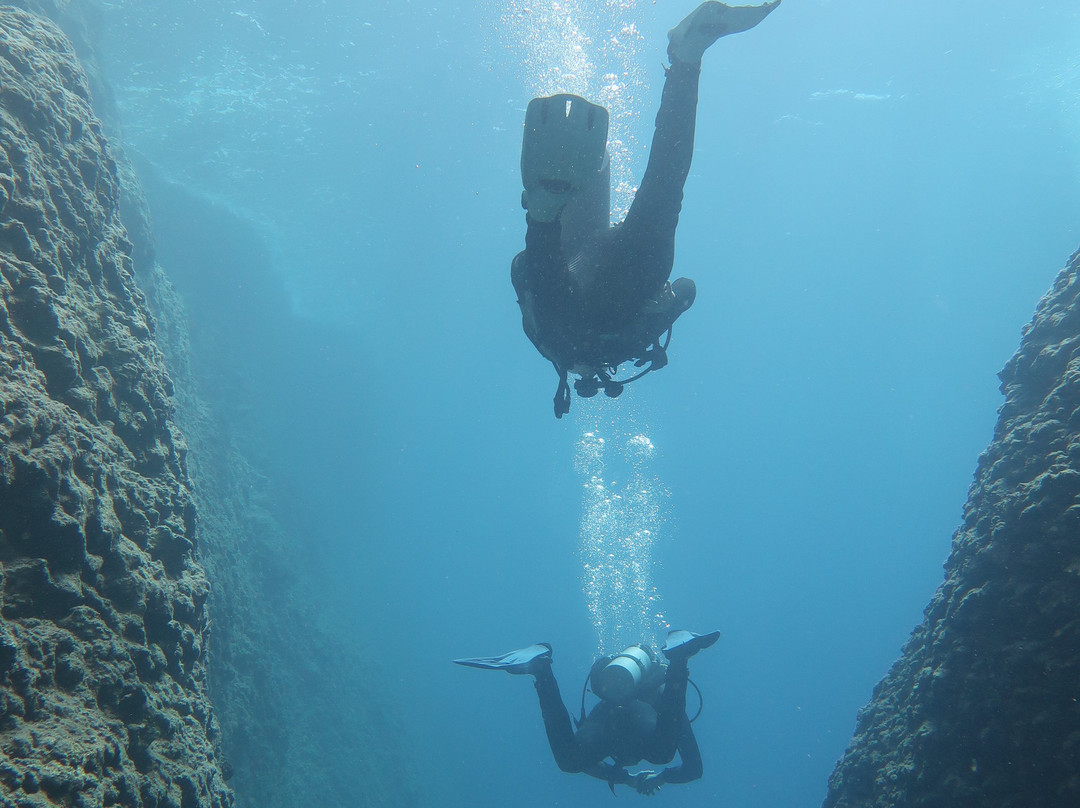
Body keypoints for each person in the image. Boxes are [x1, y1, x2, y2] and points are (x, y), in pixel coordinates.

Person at [511, 1, 782, 417]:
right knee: (654, 191)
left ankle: (685, 61)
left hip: (622, 278)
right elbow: (524, 273)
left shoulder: (580, 349)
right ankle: (546, 211)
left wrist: (668, 304)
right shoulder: (561, 351)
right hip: (596, 275)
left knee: (665, 188)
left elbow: (687, 291)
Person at [455, 628, 721, 795]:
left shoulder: (627, 698)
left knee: (570, 760)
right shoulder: (663, 706)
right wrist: (660, 777)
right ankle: (679, 660)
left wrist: (625, 779)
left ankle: (541, 667)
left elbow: (585, 761)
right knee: (661, 753)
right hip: (633, 721)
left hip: (607, 719)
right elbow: (693, 768)